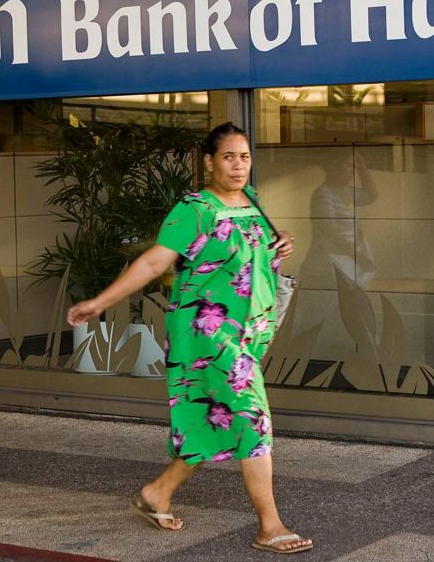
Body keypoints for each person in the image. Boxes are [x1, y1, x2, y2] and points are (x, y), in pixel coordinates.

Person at [67, 122, 312, 555]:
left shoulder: (251, 200)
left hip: (246, 332)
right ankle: (270, 525)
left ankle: (157, 493)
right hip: (207, 334)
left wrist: (279, 244)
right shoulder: (194, 209)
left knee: (212, 418)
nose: (238, 166)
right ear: (209, 162)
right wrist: (101, 302)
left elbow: (249, 254)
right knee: (252, 417)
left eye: (245, 157)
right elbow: (152, 262)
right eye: (229, 157)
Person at [304, 149, 378, 288]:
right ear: (333, 166)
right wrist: (358, 257)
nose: (351, 171)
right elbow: (331, 232)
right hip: (325, 269)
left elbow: (371, 195)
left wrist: (362, 168)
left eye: (352, 167)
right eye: (347, 165)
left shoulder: (347, 192)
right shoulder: (323, 195)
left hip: (343, 267)